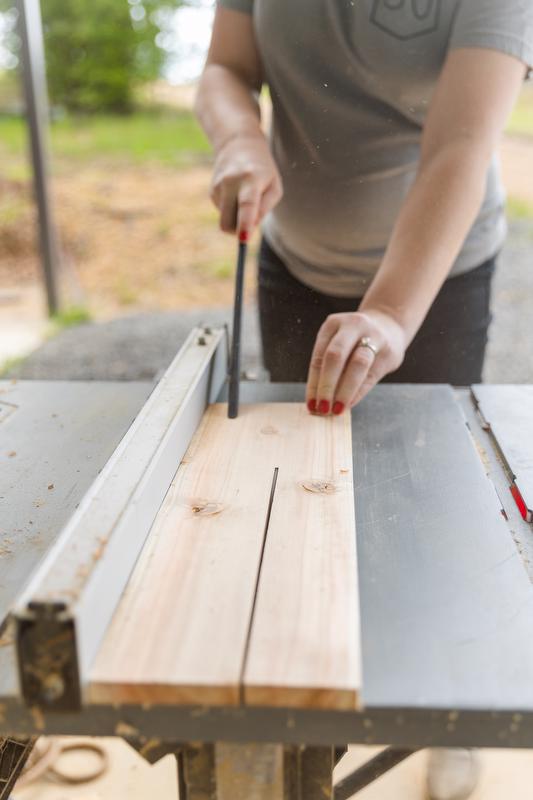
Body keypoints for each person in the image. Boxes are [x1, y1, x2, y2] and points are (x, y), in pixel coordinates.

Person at [196, 2, 533, 798]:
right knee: (302, 492)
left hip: (433, 281)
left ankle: (438, 707)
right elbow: (223, 69)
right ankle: (309, 689)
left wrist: (388, 314)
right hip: (294, 261)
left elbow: (458, 146)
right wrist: (240, 137)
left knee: (422, 508)